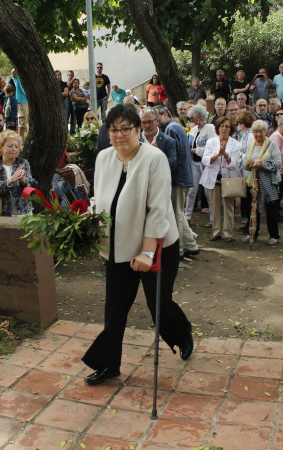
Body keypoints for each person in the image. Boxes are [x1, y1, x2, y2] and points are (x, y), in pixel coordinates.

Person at [81, 104, 194, 385]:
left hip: (156, 246)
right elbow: (100, 199)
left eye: (126, 128)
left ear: (137, 129)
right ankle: (108, 364)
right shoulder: (105, 158)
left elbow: (157, 210)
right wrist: (85, 220)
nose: (119, 135)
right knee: (115, 307)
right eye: (113, 129)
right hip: (118, 245)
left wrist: (146, 252)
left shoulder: (154, 159)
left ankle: (182, 334)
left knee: (159, 305)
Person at [157, 106, 199, 259]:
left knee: (176, 214)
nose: (157, 121)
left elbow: (173, 156)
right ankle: (191, 246)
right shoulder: (176, 127)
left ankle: (179, 249)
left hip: (179, 178)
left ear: (165, 114)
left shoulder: (170, 129)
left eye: (158, 117)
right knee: (179, 213)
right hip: (184, 176)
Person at [201, 116, 242, 242]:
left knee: (228, 207)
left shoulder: (236, 144)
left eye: (227, 126)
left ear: (231, 129)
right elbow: (205, 159)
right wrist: (218, 154)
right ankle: (216, 232)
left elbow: (236, 163)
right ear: (218, 128)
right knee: (214, 207)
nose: (224, 128)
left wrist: (226, 155)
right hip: (213, 179)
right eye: (222, 126)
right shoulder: (211, 142)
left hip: (228, 180)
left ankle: (228, 234)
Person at [241, 120, 281, 245]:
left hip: (269, 182)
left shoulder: (272, 145)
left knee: (271, 210)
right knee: (253, 209)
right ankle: (253, 232)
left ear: (265, 132)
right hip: (253, 181)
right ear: (252, 133)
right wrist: (251, 164)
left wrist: (262, 164)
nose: (258, 134)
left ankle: (274, 235)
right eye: (256, 131)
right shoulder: (251, 145)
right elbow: (245, 164)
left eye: (261, 131)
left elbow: (278, 163)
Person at [0, 130, 35, 216]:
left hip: (24, 212)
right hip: (3, 214)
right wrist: (9, 181)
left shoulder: (23, 163)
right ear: (1, 148)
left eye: (16, 146)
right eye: (10, 146)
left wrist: (23, 180)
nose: (14, 149)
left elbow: (32, 184)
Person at [185, 105, 216, 224]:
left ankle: (213, 218)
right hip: (194, 163)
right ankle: (187, 217)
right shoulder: (193, 129)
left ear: (198, 117)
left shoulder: (210, 128)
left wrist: (196, 150)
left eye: (192, 117)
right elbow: (190, 143)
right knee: (191, 190)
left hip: (206, 164)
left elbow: (212, 146)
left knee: (208, 192)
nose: (191, 120)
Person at [140, 107, 177, 173]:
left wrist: (158, 154)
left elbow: (173, 164)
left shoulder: (168, 141)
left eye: (150, 122)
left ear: (157, 121)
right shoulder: (136, 139)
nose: (147, 125)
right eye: (143, 122)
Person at [10, 68, 29, 138]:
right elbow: (13, 72)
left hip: (31, 102)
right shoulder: (17, 78)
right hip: (22, 102)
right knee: (22, 124)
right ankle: (20, 143)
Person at [65, 70, 76, 134]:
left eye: (71, 75)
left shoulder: (75, 84)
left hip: (74, 103)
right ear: (67, 76)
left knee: (73, 119)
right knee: (66, 118)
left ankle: (72, 132)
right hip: (67, 103)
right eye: (69, 75)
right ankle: (66, 133)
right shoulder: (65, 84)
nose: (70, 76)